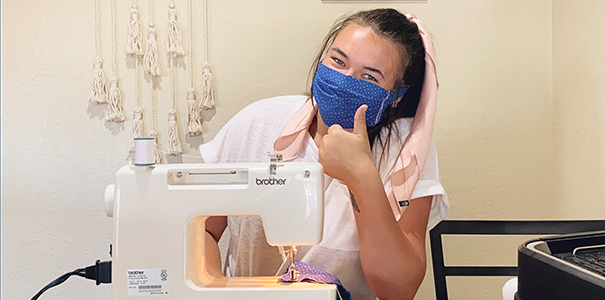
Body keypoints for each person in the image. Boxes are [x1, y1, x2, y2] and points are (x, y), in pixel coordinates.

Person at [200, 8, 449, 300]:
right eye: (338, 61)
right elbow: (201, 232)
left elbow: (398, 289)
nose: (344, 79)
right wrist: (214, 288)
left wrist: (361, 177)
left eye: (369, 77)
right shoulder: (258, 123)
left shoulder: (407, 153)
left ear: (396, 96)